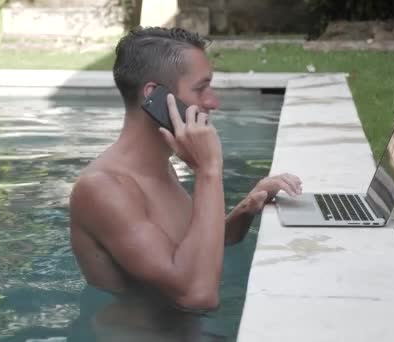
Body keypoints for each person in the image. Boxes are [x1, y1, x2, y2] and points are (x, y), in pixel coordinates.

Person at [68, 26, 302, 339]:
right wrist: (208, 171)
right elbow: (198, 295)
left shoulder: (162, 169)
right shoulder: (103, 188)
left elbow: (194, 250)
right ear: (155, 96)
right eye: (201, 88)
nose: (213, 102)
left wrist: (248, 206)